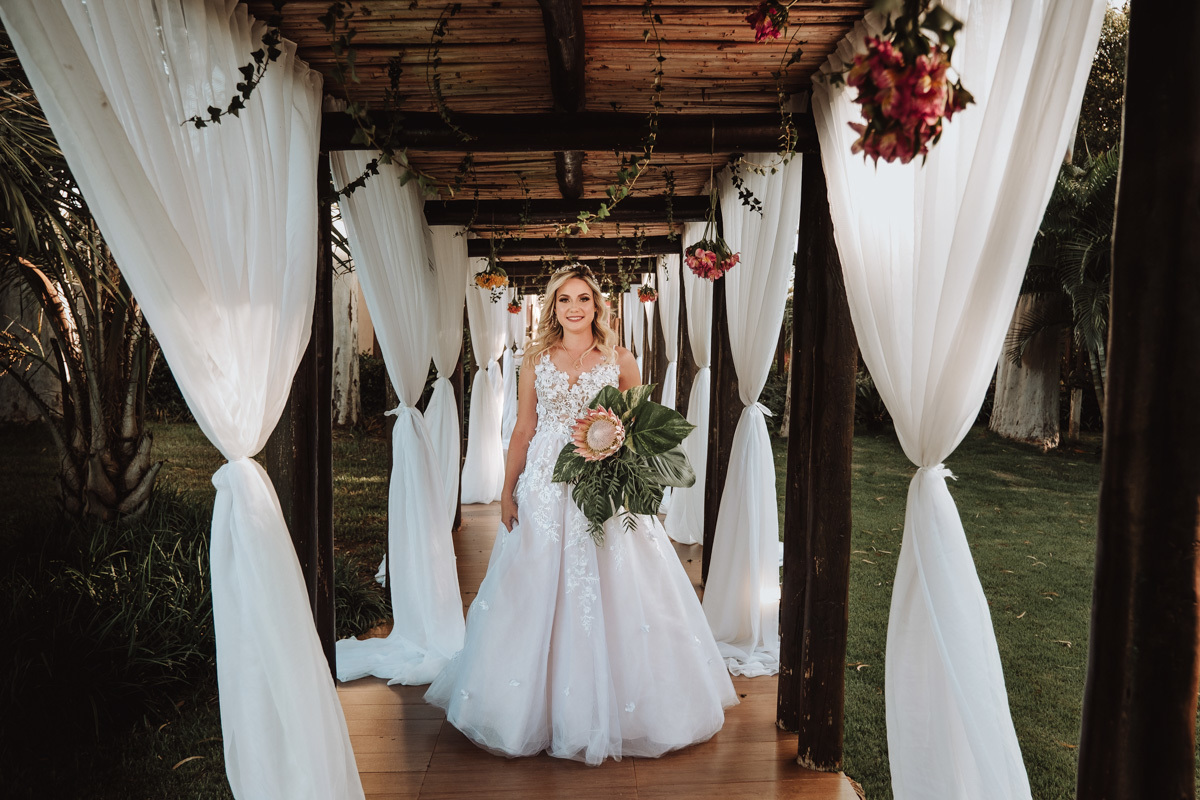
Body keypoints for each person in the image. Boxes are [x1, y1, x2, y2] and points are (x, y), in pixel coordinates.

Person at [425, 266, 737, 765]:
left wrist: (637, 488)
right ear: (554, 307)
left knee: (618, 581)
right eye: (564, 299)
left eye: (584, 299)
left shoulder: (620, 360)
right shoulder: (535, 361)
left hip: (605, 482)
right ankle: (530, 706)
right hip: (547, 483)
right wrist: (507, 491)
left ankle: (630, 707)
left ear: (598, 307)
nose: (574, 307)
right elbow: (524, 430)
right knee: (533, 581)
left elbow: (638, 432)